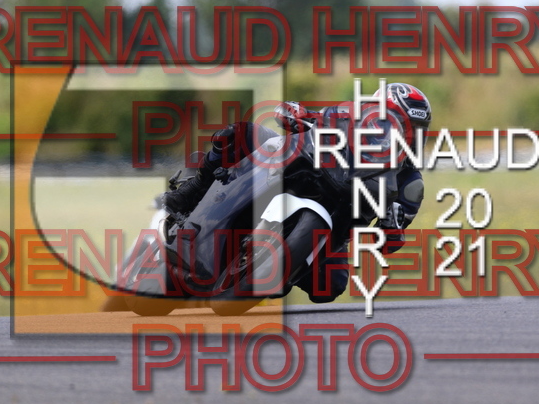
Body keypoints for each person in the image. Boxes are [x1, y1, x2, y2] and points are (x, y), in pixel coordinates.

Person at [162, 83, 431, 303]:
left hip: (336, 228)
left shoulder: (409, 181)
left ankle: (284, 268)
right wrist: (298, 113)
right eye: (399, 124)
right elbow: (313, 117)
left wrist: (392, 228)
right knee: (241, 133)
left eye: (415, 131)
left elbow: (390, 240)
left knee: (329, 287)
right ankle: (193, 189)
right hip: (300, 172)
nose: (406, 135)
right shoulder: (346, 119)